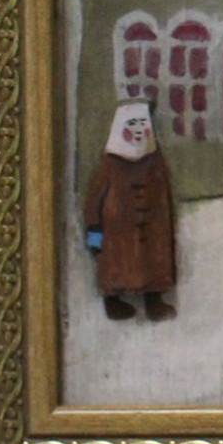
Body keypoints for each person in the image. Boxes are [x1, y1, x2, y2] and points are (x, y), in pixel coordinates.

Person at [83, 99, 177, 321]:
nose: (138, 130)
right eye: (132, 125)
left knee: (153, 260)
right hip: (118, 231)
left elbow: (164, 191)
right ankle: (113, 300)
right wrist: (94, 233)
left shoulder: (155, 160)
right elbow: (94, 201)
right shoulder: (109, 164)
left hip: (152, 228)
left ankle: (153, 299)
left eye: (142, 125)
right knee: (117, 261)